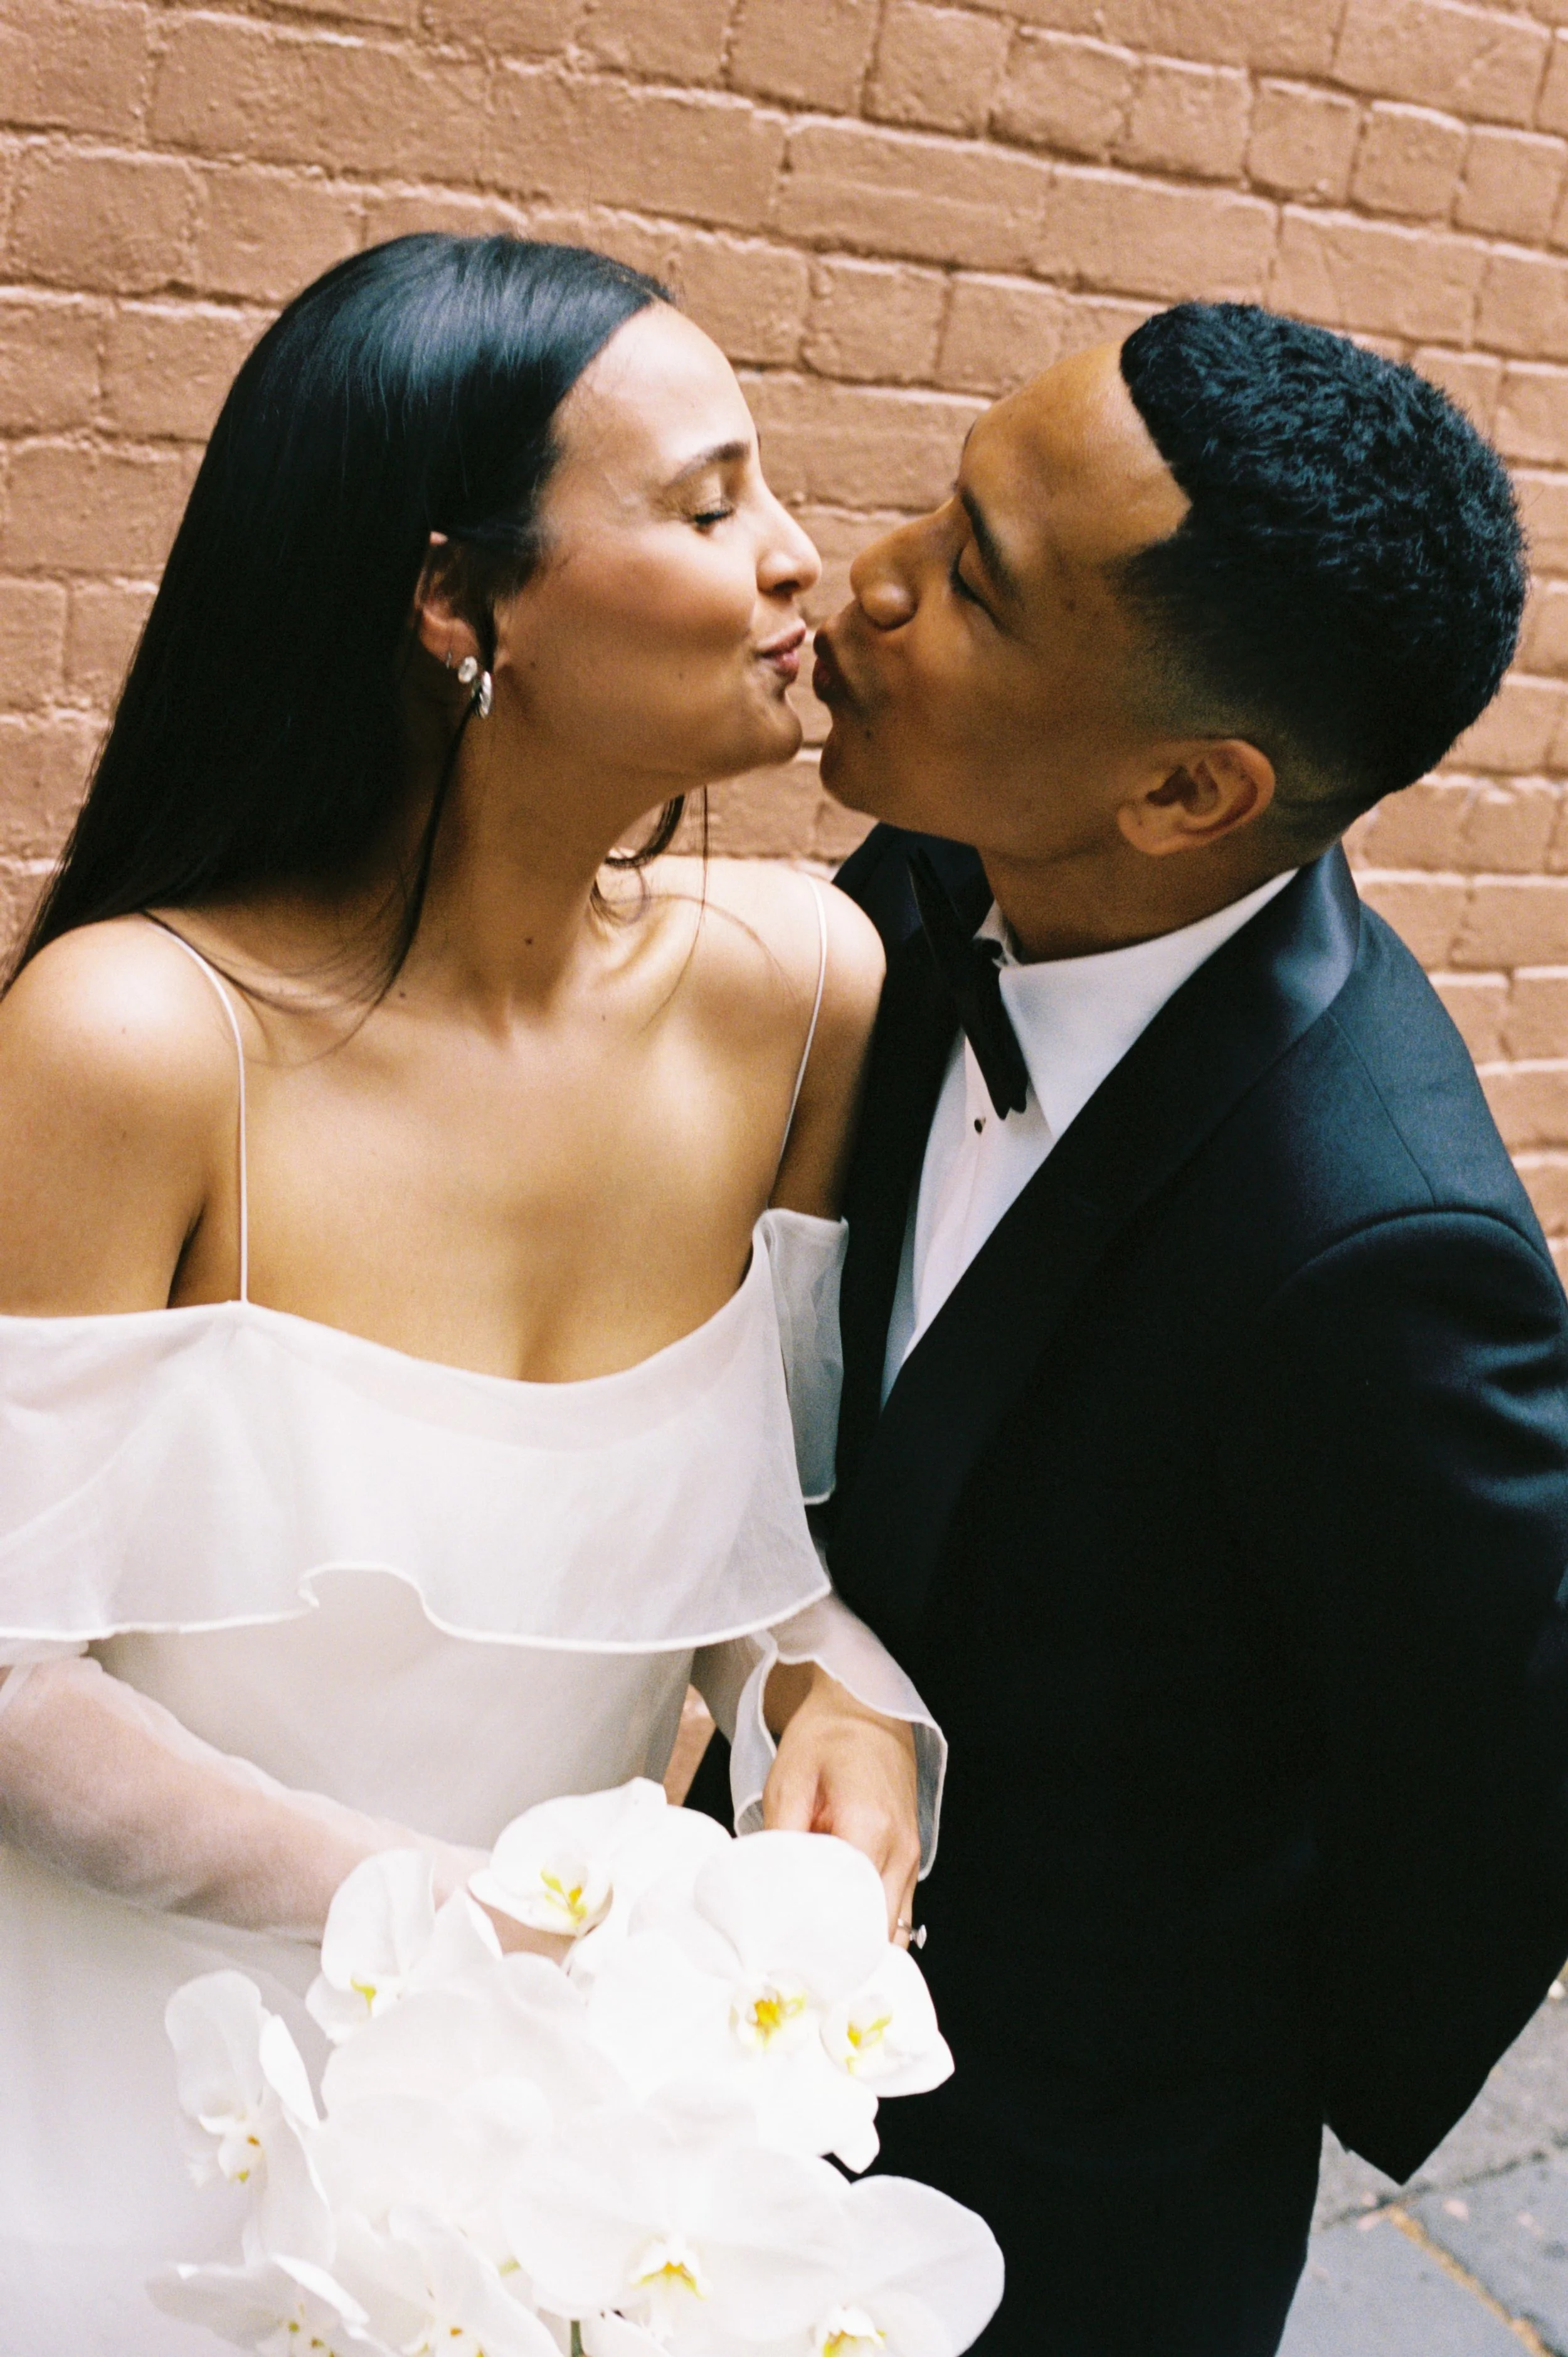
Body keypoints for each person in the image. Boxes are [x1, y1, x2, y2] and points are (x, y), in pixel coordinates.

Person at [0, 233, 939, 2351]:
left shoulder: (803, 990)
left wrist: (841, 1699)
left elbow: (733, 1544)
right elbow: (4, 1666)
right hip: (117, 2089)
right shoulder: (142, 1037)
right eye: (707, 507)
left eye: (764, 485)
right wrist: (457, 1928)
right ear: (455, 604)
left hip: (586, 2133)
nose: (798, 559)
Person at [815, 301, 1568, 2354]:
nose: (865, 580)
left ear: (1182, 790)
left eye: (970, 582)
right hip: (740, 2054)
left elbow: (1490, 1791)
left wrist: (1173, 2062)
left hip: (1068, 2194)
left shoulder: (1375, 1252)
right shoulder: (935, 865)